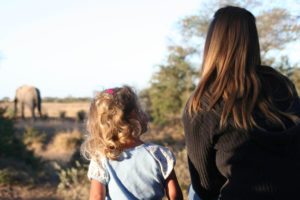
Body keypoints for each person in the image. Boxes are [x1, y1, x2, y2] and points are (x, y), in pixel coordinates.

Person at [182, 5, 300, 200]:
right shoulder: (282, 84)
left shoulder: (203, 103)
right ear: (253, 42)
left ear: (212, 45)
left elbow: (205, 186)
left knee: (194, 192)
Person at [81, 86, 183, 200]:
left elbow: (96, 196)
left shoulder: (102, 158)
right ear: (134, 114)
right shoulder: (159, 154)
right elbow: (175, 196)